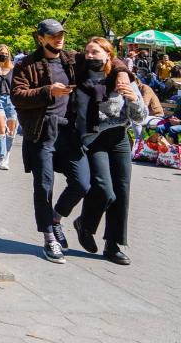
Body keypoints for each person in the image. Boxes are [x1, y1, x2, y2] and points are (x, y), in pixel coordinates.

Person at [11, 19, 126, 264]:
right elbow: (17, 96)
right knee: (44, 186)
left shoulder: (72, 59)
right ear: (40, 38)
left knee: (83, 183)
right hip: (41, 133)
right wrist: (47, 91)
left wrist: (124, 73)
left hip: (68, 133)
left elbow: (108, 57)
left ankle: (55, 218)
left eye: (61, 34)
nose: (59, 39)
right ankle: (49, 237)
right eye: (53, 36)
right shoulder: (25, 64)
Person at [72, 37, 145, 265]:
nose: (90, 55)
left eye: (95, 52)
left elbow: (140, 116)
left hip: (119, 139)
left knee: (121, 192)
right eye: (87, 51)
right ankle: (85, 224)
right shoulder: (80, 75)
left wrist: (133, 99)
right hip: (94, 139)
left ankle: (113, 245)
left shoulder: (121, 77)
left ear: (108, 55)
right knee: (104, 189)